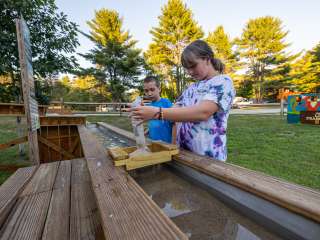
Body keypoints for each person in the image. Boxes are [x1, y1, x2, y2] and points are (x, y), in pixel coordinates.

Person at [131, 40, 235, 161]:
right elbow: (173, 112)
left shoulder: (223, 82)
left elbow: (203, 112)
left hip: (209, 159)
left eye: (193, 66)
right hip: (185, 155)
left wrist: (156, 113)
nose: (190, 72)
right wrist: (145, 111)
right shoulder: (191, 88)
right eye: (187, 68)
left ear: (207, 59)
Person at [143, 76, 173, 143]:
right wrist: (145, 132)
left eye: (152, 89)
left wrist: (174, 143)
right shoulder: (149, 106)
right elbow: (153, 124)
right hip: (153, 143)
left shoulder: (166, 103)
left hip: (166, 144)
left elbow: (175, 124)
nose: (149, 93)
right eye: (146, 91)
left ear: (159, 89)